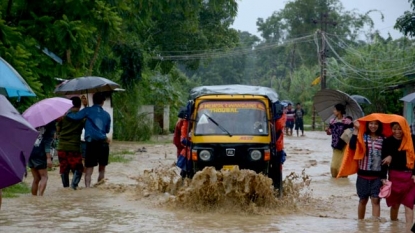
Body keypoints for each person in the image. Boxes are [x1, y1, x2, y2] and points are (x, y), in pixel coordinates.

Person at [66, 92, 111, 188]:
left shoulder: (87, 111)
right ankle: (99, 188)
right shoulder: (107, 115)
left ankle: (87, 188)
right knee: (102, 168)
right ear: (103, 102)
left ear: (93, 101)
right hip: (103, 144)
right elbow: (107, 130)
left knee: (89, 169)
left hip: (91, 144)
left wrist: (68, 111)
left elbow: (74, 117)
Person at [349, 120, 386, 220]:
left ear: (379, 125)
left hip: (377, 176)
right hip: (362, 175)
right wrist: (356, 130)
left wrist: (384, 177)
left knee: (376, 200)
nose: (373, 126)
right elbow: (352, 146)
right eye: (371, 123)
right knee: (363, 200)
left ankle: (375, 227)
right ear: (367, 125)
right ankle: (361, 224)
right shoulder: (362, 136)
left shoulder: (383, 139)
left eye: (376, 124)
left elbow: (385, 158)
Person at [382, 121, 415, 232]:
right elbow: (384, 161)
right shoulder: (387, 141)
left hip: (410, 177)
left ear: (405, 129)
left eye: (400, 129)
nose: (397, 132)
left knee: (409, 204)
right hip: (394, 176)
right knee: (395, 205)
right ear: (391, 129)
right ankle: (393, 227)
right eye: (394, 129)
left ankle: (408, 230)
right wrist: (383, 177)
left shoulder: (412, 139)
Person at [56, 97, 85, 190]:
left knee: (64, 168)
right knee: (78, 168)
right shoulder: (81, 118)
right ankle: (73, 187)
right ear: (79, 106)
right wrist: (86, 106)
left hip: (62, 147)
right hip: (74, 148)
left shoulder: (63, 117)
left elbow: (58, 130)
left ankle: (66, 188)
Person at [28, 120, 56, 196]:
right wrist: (48, 158)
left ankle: (34, 198)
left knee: (36, 178)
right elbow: (47, 142)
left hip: (30, 152)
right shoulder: (50, 124)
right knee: (44, 177)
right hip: (40, 153)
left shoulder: (31, 123)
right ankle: (40, 197)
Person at [326, 103, 352, 178]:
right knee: (334, 165)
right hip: (335, 144)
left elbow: (351, 131)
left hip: (344, 145)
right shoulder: (332, 121)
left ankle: (343, 177)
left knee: (342, 163)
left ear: (339, 111)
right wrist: (327, 131)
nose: (333, 111)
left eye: (335, 109)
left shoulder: (347, 121)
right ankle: (335, 177)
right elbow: (330, 133)